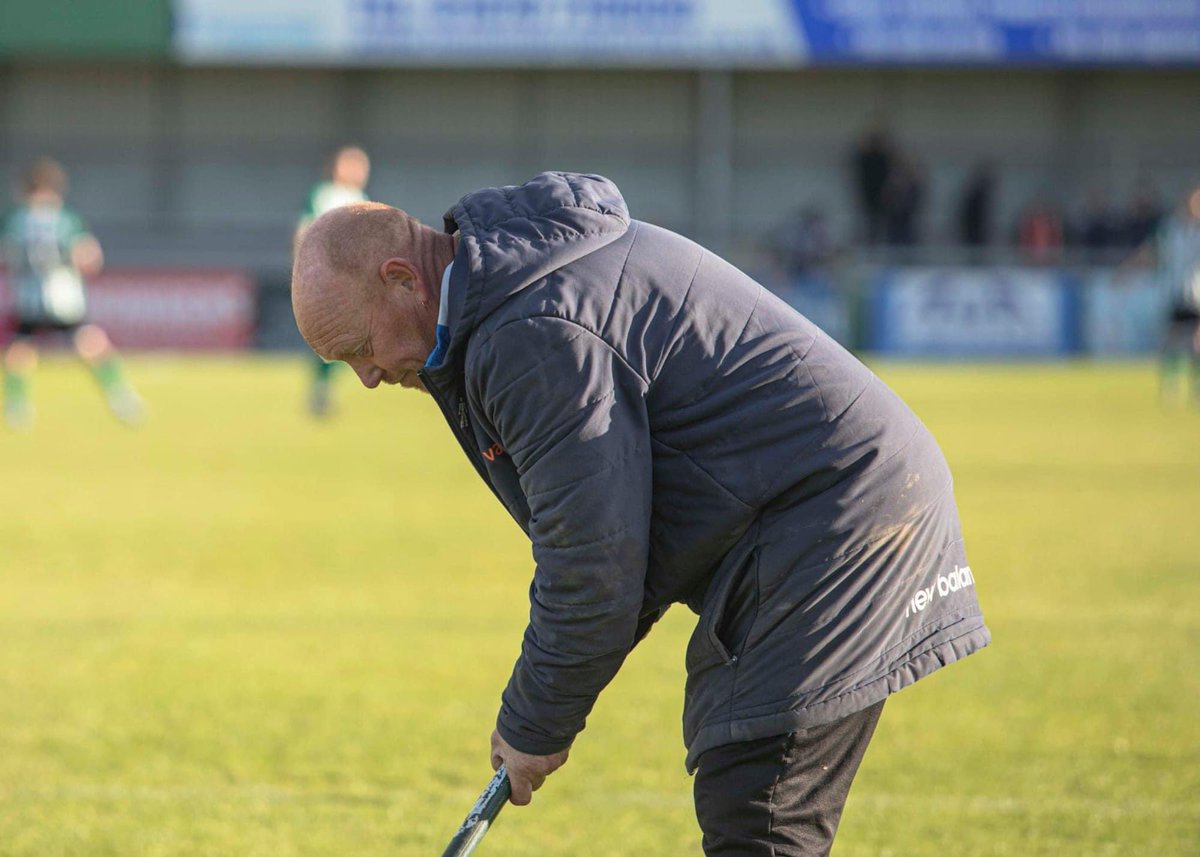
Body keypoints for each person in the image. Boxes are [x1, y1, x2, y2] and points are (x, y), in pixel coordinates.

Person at [291, 172, 990, 855]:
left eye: (359, 348)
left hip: (841, 515)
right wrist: (545, 712)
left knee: (758, 807)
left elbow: (597, 560)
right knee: (748, 795)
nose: (368, 376)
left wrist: (534, 721)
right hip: (815, 513)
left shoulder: (532, 331)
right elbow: (626, 549)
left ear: (402, 279)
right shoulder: (499, 309)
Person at [1, 158, 143, 429]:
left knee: (21, 347)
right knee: (88, 341)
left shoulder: (13, 219)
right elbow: (88, 256)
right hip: (63, 295)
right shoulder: (66, 218)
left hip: (28, 297)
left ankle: (17, 407)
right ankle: (119, 396)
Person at [294, 145, 371, 417]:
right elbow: (305, 230)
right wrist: (302, 266)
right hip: (327, 274)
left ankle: (324, 388)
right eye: (353, 165)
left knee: (347, 336)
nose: (359, 171)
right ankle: (320, 389)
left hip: (352, 279)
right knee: (328, 335)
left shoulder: (362, 198)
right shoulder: (324, 194)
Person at [1127, 184, 1200, 406]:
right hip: (1174, 292)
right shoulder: (1170, 229)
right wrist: (1127, 272)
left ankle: (1196, 388)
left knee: (1197, 341)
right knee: (1172, 340)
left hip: (1197, 294)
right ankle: (1170, 387)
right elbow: (1149, 252)